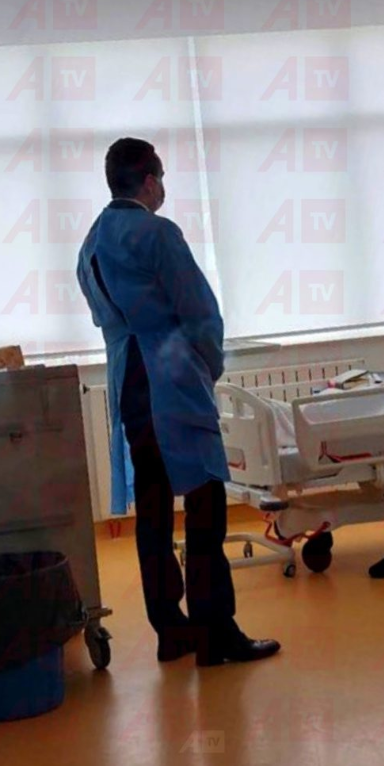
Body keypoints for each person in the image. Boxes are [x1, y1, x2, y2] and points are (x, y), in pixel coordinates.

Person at [77, 138, 281, 667]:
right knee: (205, 501)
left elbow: (103, 316)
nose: (163, 187)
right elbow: (199, 313)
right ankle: (216, 634)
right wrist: (206, 367)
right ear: (149, 181)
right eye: (161, 177)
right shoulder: (157, 233)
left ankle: (172, 631)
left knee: (153, 508)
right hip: (169, 376)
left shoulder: (90, 244)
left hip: (128, 381)